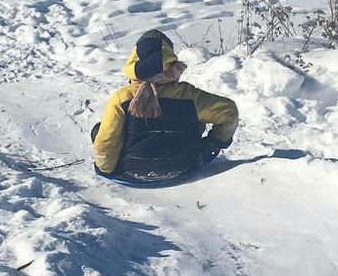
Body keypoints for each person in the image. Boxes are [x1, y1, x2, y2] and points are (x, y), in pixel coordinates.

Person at [92, 29, 239, 183]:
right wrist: (214, 142)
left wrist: (106, 170)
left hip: (131, 172)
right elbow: (229, 112)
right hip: (185, 168)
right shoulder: (189, 96)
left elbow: (106, 141)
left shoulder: (122, 98)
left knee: (100, 130)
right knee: (197, 121)